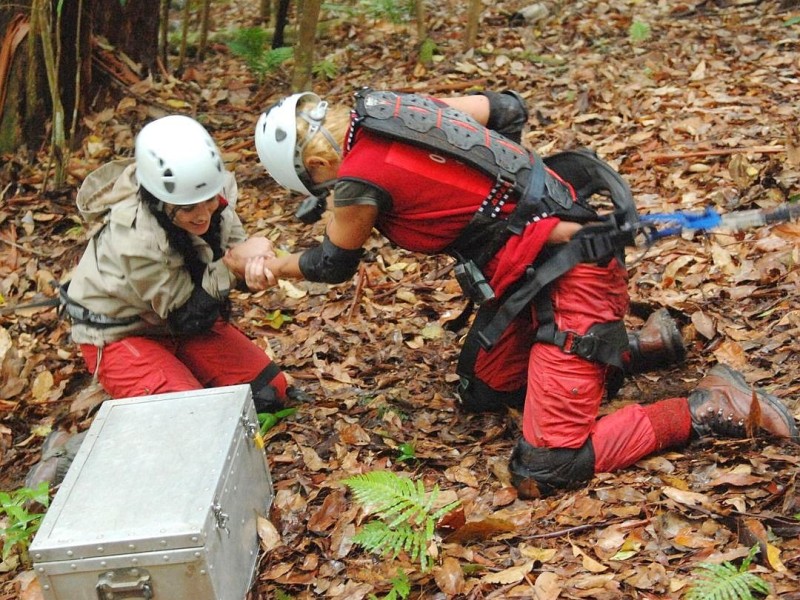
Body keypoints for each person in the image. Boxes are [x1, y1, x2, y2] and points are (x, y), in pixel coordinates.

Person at [251, 88, 798, 498]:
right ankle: (643, 346)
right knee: (485, 390)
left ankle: (709, 406)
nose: (325, 197)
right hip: (530, 273)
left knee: (547, 467)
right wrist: (506, 207)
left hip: (573, 271)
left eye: (317, 188)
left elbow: (331, 262)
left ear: (317, 165)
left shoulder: (353, 183)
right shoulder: (396, 109)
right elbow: (506, 110)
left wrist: (269, 265)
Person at [26, 114, 300, 488]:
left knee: (271, 393)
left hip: (178, 319)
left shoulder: (211, 196)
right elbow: (190, 313)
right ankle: (71, 453)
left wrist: (256, 266)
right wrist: (233, 266)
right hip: (122, 334)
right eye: (189, 209)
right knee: (191, 425)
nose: (203, 214)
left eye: (207, 200)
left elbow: (224, 265)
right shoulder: (135, 237)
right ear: (161, 200)